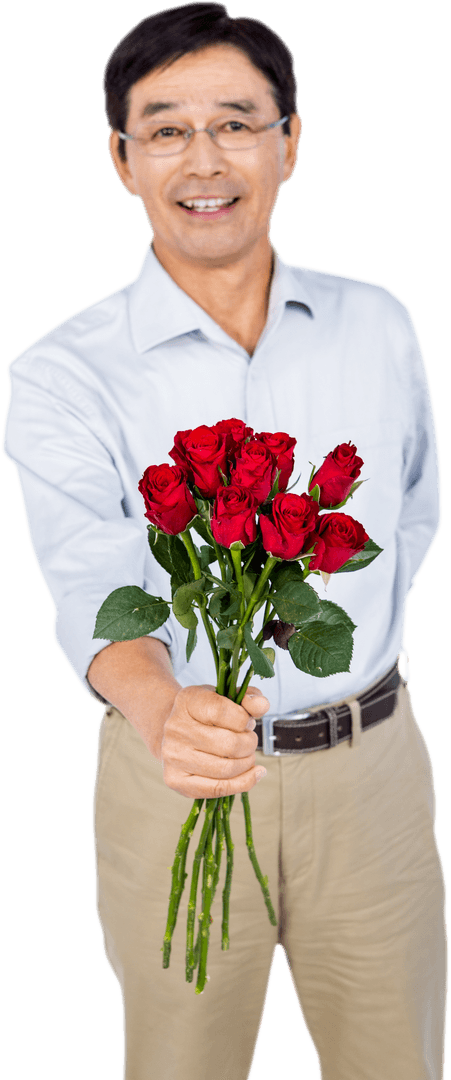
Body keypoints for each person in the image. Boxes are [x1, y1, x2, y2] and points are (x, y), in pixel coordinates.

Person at [2, 2, 448, 1078]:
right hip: (175, 783)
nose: (204, 160)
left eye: (237, 123)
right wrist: (168, 711)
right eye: (164, 129)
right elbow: (89, 582)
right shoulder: (62, 372)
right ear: (120, 159)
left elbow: (413, 515)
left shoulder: (378, 322)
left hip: (373, 772)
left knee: (401, 1059)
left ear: (290, 141)